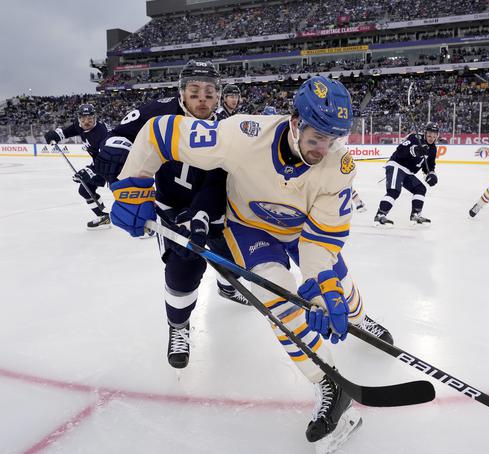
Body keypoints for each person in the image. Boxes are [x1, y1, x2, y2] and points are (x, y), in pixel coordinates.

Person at [109, 75, 394, 450]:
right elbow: (160, 132)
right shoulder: (242, 136)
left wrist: (323, 286)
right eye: (315, 139)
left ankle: (361, 319)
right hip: (249, 229)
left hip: (302, 230)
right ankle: (328, 382)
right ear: (295, 123)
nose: (323, 149)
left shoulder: (339, 164)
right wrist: (133, 185)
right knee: (279, 301)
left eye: (332, 139)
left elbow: (321, 240)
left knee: (337, 286)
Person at [96, 60, 249, 368]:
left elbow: (219, 180)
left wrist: (202, 214)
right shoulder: (156, 112)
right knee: (183, 270)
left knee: (231, 258)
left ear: (218, 96)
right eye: (194, 92)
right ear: (181, 93)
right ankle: (178, 326)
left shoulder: (227, 127)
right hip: (171, 211)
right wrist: (111, 161)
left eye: (209, 92)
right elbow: (117, 138)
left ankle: (227, 285)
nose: (202, 99)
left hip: (213, 207)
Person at [44, 103, 111, 230]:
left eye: (90, 118)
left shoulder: (101, 134)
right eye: (83, 118)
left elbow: (107, 158)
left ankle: (146, 224)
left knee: (125, 193)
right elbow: (66, 132)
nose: (87, 122)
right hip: (100, 163)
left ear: (95, 117)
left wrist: (89, 171)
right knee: (85, 190)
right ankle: (103, 216)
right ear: (79, 118)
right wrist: (54, 135)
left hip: (115, 163)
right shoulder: (79, 125)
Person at [374, 122, 439, 226]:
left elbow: (429, 166)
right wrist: (414, 150)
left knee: (420, 189)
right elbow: (400, 151)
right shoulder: (414, 138)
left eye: (434, 136)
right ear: (425, 133)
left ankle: (415, 215)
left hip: (408, 172)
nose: (431, 138)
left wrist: (431, 174)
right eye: (429, 135)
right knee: (394, 191)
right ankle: (380, 215)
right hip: (397, 166)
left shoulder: (433, 149)